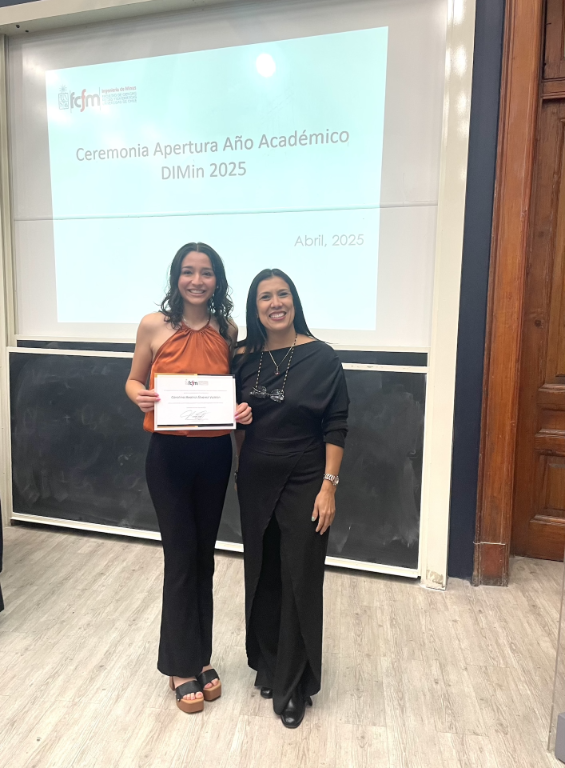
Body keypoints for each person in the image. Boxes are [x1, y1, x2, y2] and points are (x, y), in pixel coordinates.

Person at [125, 242, 252, 714]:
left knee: (203, 558)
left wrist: (239, 410)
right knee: (180, 557)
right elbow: (133, 379)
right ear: (176, 278)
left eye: (206, 272)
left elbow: (232, 391)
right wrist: (139, 396)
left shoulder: (229, 330)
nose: (197, 280)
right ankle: (179, 666)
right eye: (188, 271)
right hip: (168, 457)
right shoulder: (152, 325)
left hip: (214, 454)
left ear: (217, 280)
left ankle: (200, 656)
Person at [233, 268, 349, 729]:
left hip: (306, 478)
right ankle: (269, 665)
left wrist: (329, 486)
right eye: (265, 297)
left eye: (283, 294)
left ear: (295, 301)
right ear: (255, 307)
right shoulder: (243, 358)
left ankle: (295, 683)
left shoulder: (322, 357)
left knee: (299, 576)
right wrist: (234, 415)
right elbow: (229, 415)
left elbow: (336, 424)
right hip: (255, 478)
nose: (275, 303)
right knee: (263, 574)